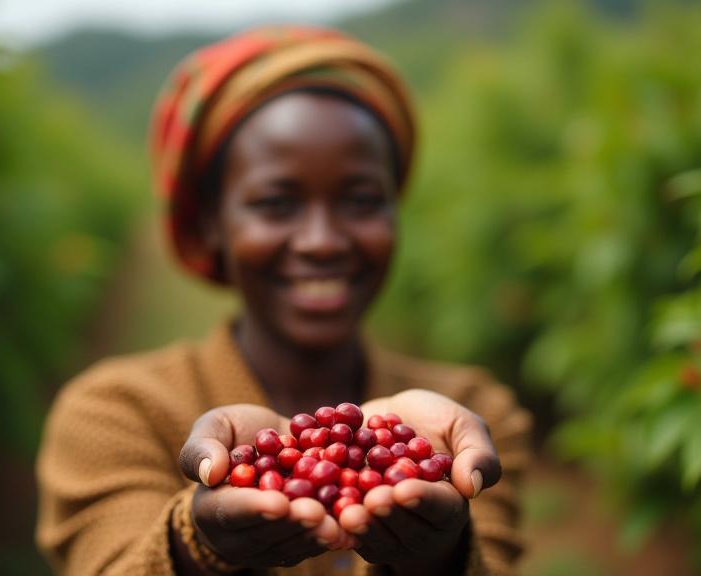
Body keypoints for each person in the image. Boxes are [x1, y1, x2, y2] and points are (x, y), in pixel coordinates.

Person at [36, 25, 531, 575]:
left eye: (362, 199)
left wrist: (443, 557)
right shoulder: (115, 410)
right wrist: (192, 544)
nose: (322, 240)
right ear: (210, 226)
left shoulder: (474, 415)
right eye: (276, 203)